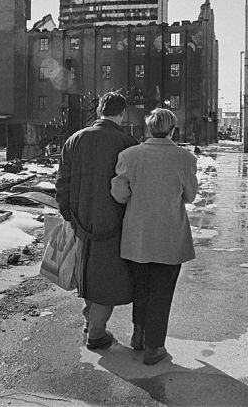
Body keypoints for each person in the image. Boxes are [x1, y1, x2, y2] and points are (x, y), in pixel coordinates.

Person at [111, 108, 198, 365]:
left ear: (148, 129)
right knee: (161, 291)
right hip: (170, 237)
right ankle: (154, 346)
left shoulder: (129, 156)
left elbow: (119, 193)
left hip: (137, 235)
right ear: (173, 129)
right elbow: (190, 196)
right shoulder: (185, 158)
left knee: (141, 286)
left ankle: (138, 335)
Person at [55, 91, 138, 350]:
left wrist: (67, 212)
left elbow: (62, 181)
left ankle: (90, 322)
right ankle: (96, 332)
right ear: (121, 113)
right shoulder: (126, 142)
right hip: (113, 221)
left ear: (100, 109)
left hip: (80, 220)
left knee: (87, 272)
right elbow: (132, 185)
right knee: (107, 277)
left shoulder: (74, 140)